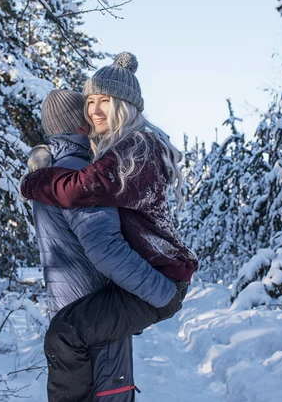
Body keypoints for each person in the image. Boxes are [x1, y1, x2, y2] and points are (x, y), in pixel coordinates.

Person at [21, 53, 198, 401]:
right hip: (148, 280)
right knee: (75, 334)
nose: (95, 110)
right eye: (90, 101)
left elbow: (79, 188)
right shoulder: (115, 150)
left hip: (161, 281)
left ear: (125, 106)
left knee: (66, 333)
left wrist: (34, 179)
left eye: (106, 101)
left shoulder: (137, 148)